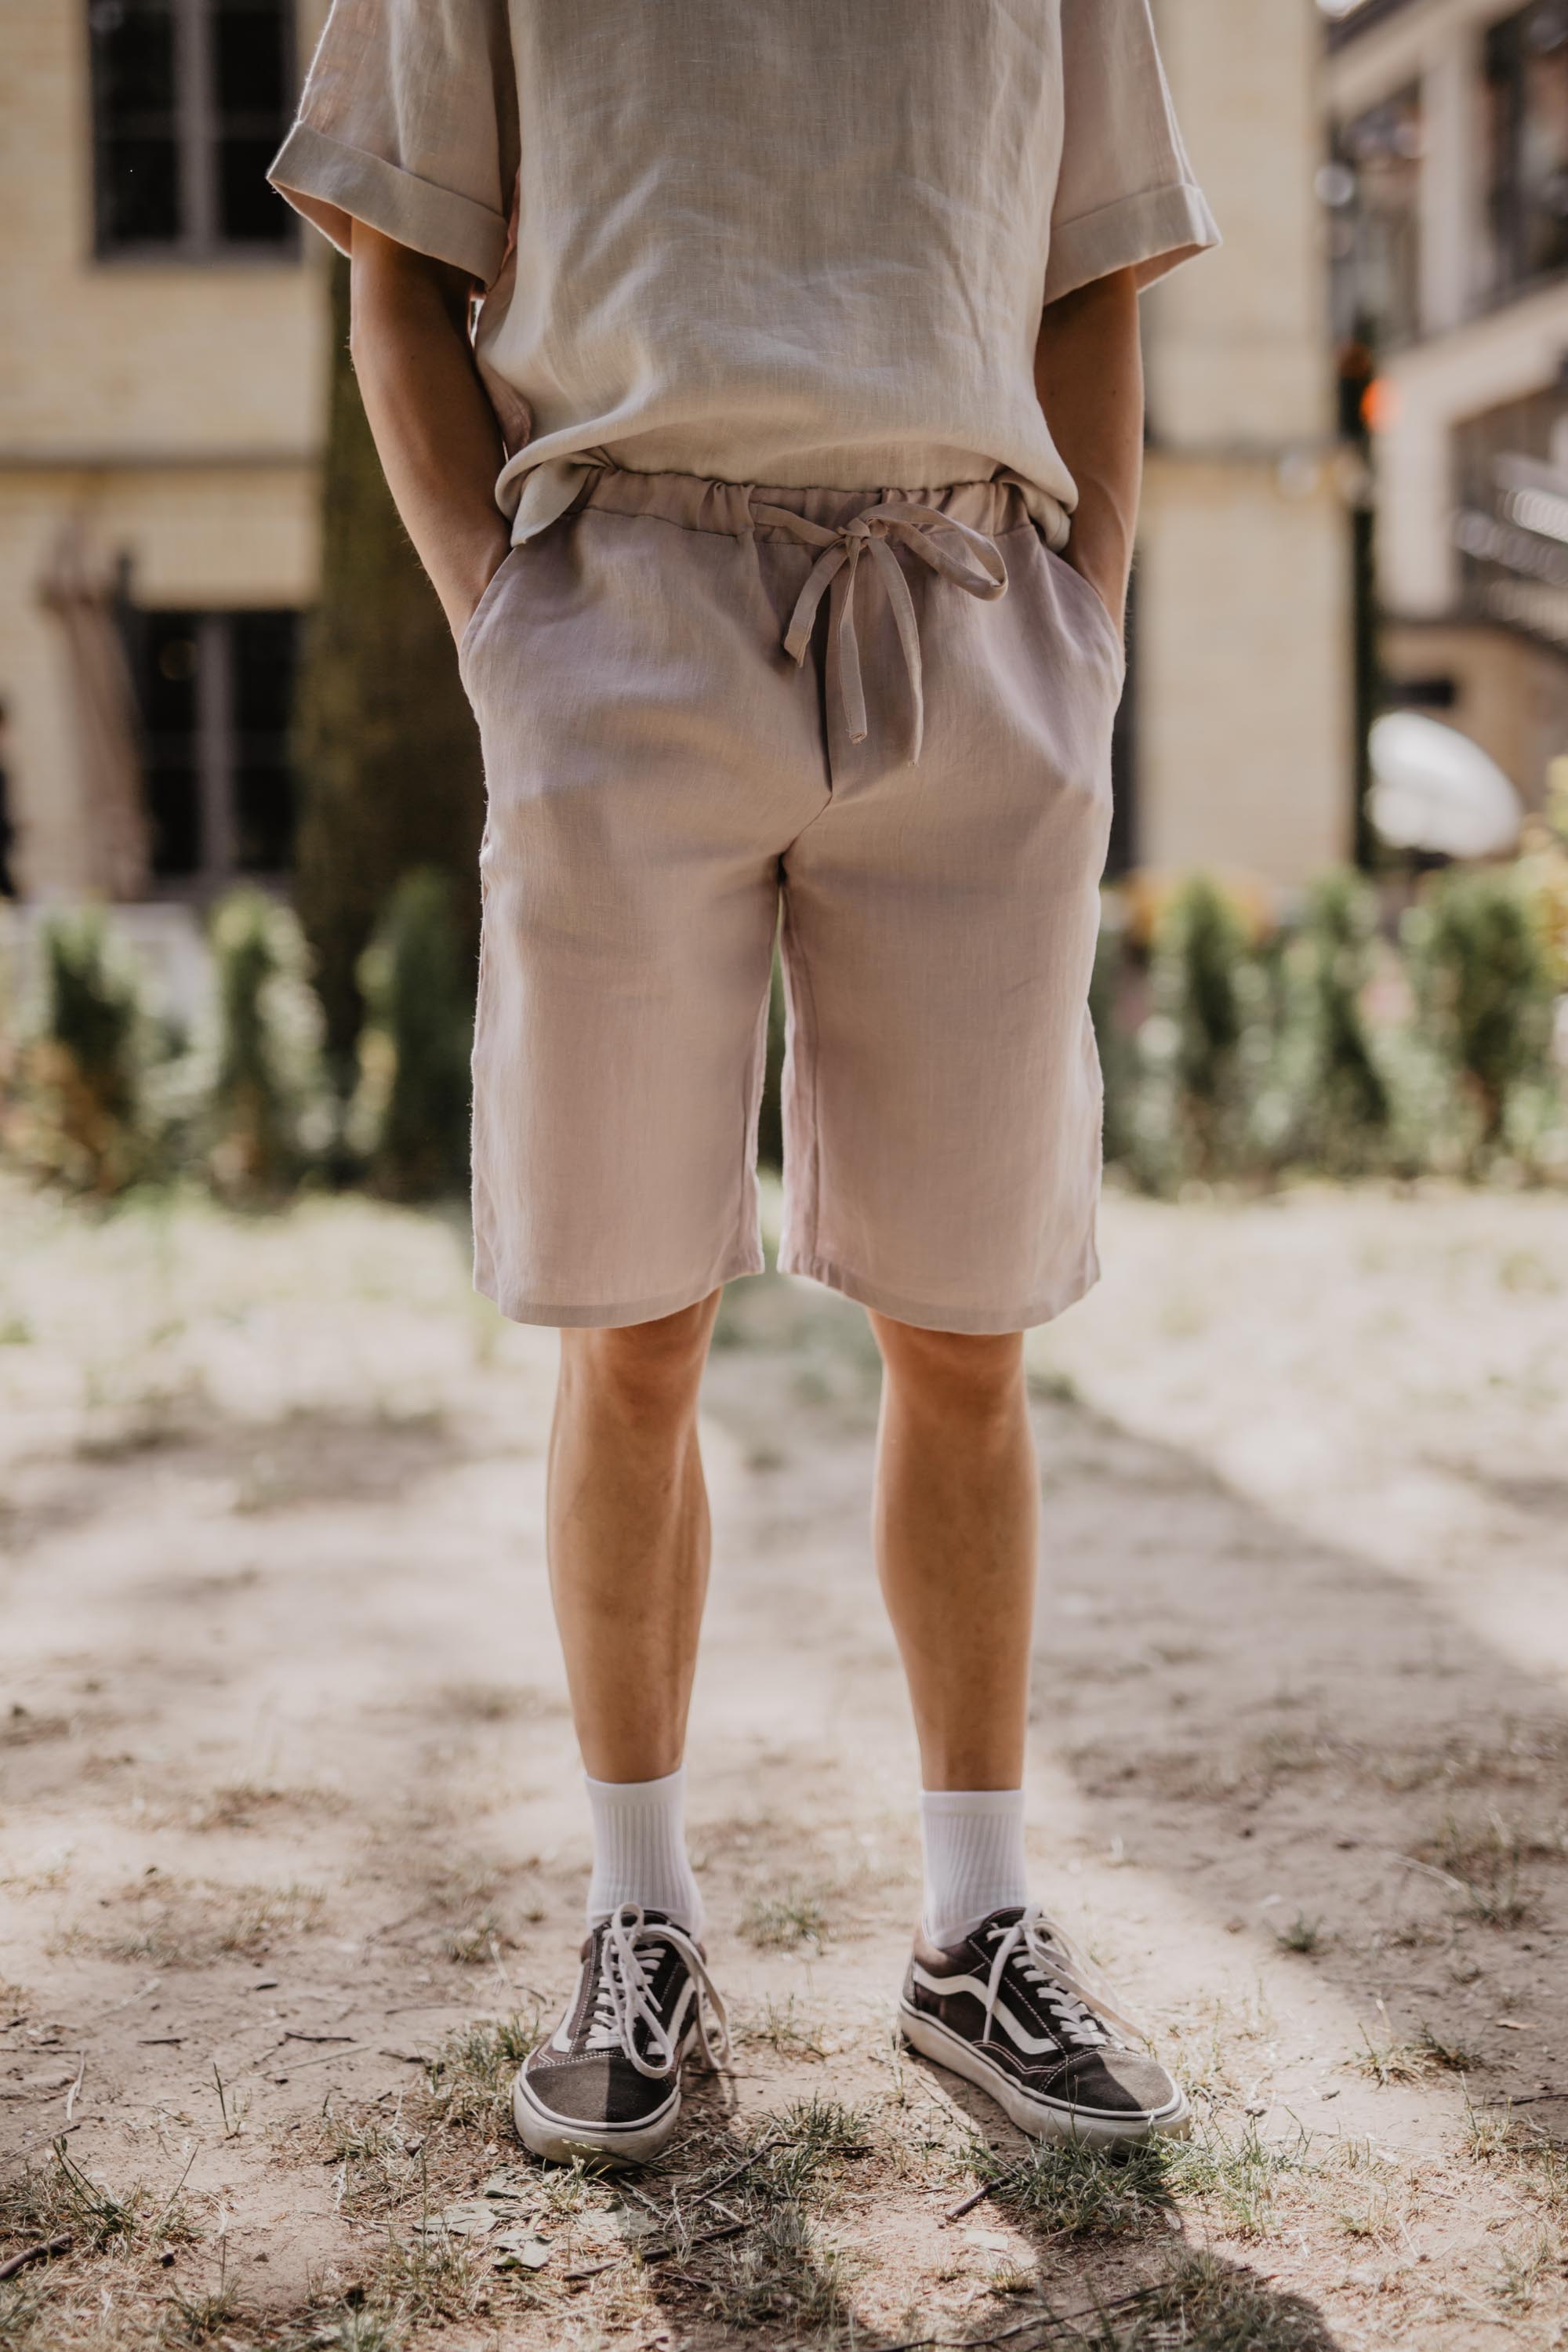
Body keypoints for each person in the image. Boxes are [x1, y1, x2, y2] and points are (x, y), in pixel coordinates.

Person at [269, 0, 1218, 2167]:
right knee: (633, 1334)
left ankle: (977, 1932)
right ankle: (640, 1918)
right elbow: (393, 258)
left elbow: (1095, 269)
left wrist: (1083, 627)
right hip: (619, 612)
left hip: (972, 616)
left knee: (968, 1333)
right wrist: (500, 621)